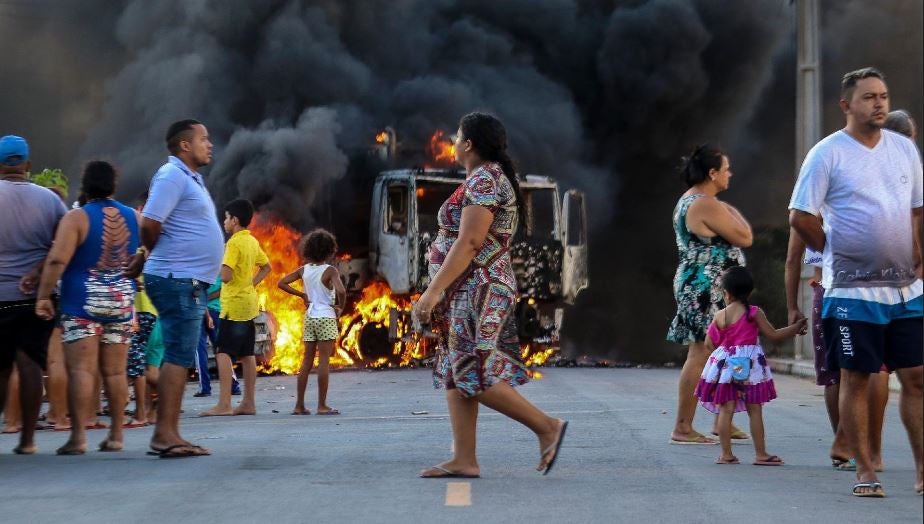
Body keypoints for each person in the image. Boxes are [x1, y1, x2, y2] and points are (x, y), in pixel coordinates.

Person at [789, 67, 923, 498]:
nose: (879, 103)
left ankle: (923, 473)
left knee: (917, 376)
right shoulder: (827, 153)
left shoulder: (904, 150)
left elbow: (917, 209)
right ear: (846, 105)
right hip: (851, 290)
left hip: (906, 289)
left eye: (883, 96)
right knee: (857, 376)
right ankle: (866, 470)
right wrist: (833, 250)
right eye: (868, 97)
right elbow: (800, 216)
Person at [412, 112, 566, 478]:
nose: (452, 142)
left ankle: (547, 427)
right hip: (468, 287)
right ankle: (465, 459)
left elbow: (470, 241)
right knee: (456, 372)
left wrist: (432, 293)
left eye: (457, 136)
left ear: (469, 144)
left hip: (477, 287)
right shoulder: (485, 177)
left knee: (474, 373)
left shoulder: (484, 179)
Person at [124, 119, 225, 458]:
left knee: (179, 357)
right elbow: (150, 223)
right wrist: (147, 251)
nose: (209, 144)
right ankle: (165, 435)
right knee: (179, 357)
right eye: (204, 139)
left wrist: (144, 255)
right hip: (175, 278)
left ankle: (170, 432)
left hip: (184, 279)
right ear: (185, 145)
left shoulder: (188, 178)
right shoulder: (170, 176)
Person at [35, 160, 140, 454]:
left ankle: (78, 437)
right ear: (113, 185)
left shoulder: (77, 218)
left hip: (82, 304)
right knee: (117, 373)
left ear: (85, 185)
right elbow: (155, 240)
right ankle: (117, 435)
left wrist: (43, 295)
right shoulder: (134, 217)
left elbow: (57, 260)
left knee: (81, 370)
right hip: (121, 302)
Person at [666, 144, 753, 445]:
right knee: (701, 352)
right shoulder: (705, 203)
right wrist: (731, 211)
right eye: (726, 169)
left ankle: (721, 420)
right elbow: (745, 236)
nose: (730, 174)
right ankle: (683, 426)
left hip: (704, 282)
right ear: (712, 173)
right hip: (705, 286)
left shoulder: (692, 200)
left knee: (722, 349)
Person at [696, 267, 805, 465]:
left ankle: (726, 454)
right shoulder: (754, 313)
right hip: (750, 367)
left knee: (725, 409)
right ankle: (761, 454)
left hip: (727, 367)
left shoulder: (721, 315)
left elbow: (708, 343)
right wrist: (795, 329)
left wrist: (725, 347)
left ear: (726, 293)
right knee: (755, 410)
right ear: (749, 291)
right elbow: (773, 335)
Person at [0, 135, 68, 454]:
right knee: (30, 366)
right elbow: (63, 247)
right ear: (28, 165)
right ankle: (27, 440)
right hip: (37, 298)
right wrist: (39, 271)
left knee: (0, 369)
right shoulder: (51, 201)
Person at [200, 199, 270, 417]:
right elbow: (267, 267)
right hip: (249, 303)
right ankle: (249, 403)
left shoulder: (232, 244)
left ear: (235, 220)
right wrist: (251, 283)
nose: (224, 222)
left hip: (234, 305)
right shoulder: (252, 241)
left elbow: (227, 276)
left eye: (227, 217)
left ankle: (224, 404)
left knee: (223, 352)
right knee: (247, 354)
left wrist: (219, 266)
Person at [278, 229, 346, 416]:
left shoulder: (304, 270)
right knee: (323, 361)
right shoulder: (330, 270)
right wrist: (340, 307)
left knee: (306, 361)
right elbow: (340, 291)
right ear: (330, 250)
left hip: (310, 318)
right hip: (326, 317)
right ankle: (322, 405)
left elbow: (281, 282)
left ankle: (299, 405)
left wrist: (302, 295)